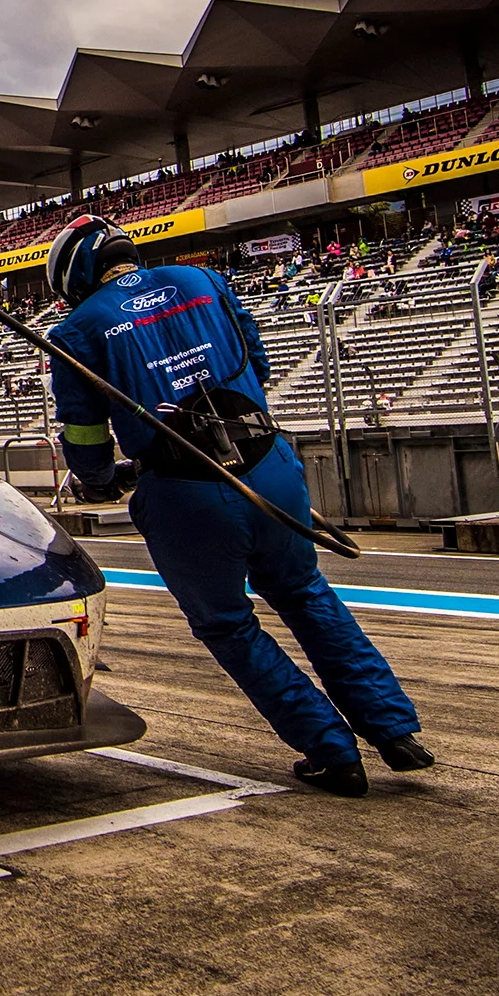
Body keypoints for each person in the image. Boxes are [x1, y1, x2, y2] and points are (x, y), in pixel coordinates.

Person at [43, 214, 434, 798]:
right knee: (305, 592)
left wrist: (99, 481)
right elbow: (257, 360)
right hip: (269, 464)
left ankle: (331, 749)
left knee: (228, 624)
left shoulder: (79, 330)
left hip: (186, 492)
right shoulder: (204, 281)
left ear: (73, 274)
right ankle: (395, 728)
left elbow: (84, 434)